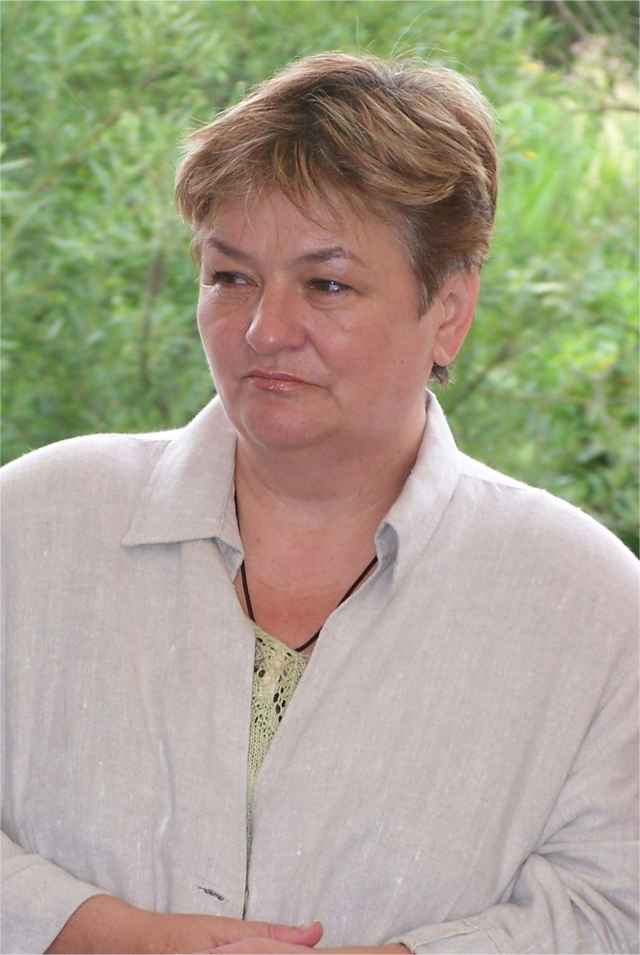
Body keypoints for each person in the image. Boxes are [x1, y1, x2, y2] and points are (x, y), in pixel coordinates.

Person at [1, 51, 637, 955]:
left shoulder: (592, 603)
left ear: (449, 311)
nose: (265, 330)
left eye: (326, 284)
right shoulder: (32, 523)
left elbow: (615, 905)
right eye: (231, 277)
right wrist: (115, 938)